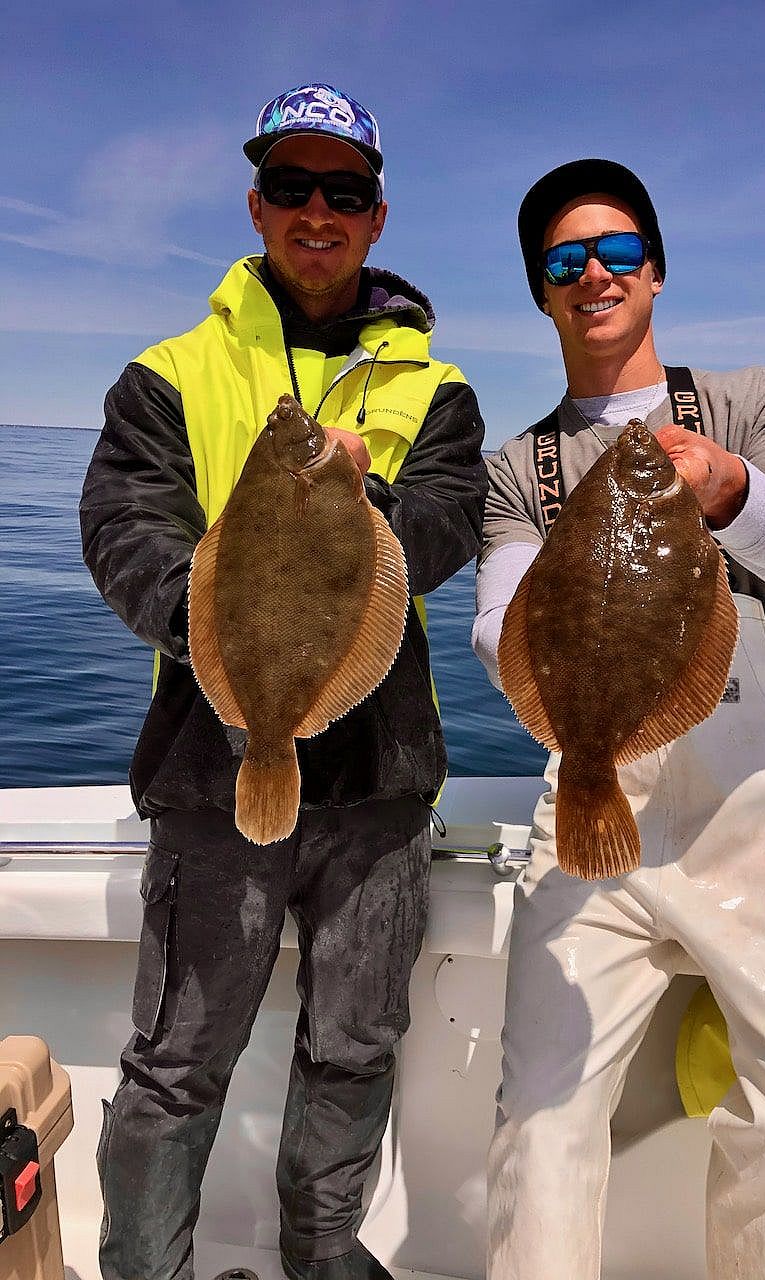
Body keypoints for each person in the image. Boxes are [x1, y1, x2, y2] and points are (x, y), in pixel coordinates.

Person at [80, 83, 486, 1280]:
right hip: (217, 770)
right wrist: (226, 631)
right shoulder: (167, 373)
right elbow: (125, 533)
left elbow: (452, 522)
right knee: (177, 1059)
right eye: (295, 188)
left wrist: (355, 503)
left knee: (357, 1049)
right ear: (258, 204)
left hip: (382, 783)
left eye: (344, 192)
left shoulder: (438, 387)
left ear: (375, 215)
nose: (319, 211)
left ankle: (323, 1260)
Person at [473, 159, 765, 1280]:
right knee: (542, 1121)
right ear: (543, 291)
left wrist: (732, 492)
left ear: (655, 270)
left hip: (760, 805)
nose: (594, 273)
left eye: (616, 251)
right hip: (593, 788)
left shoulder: (748, 401)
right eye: (566, 261)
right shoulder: (520, 469)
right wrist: (580, 611)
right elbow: (499, 620)